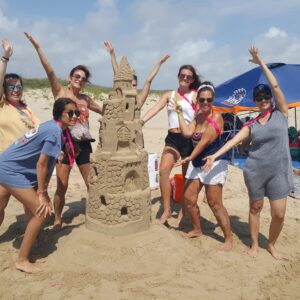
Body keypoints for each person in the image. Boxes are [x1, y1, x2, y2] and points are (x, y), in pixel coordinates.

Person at [204, 47, 293, 259]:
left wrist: (260, 61)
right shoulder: (251, 124)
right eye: (259, 98)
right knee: (255, 208)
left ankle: (271, 244)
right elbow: (233, 140)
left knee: (279, 214)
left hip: (279, 172)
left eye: (265, 97)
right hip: (255, 171)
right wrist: (214, 156)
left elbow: (275, 85)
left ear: (270, 99)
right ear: (254, 101)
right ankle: (254, 244)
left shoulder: (281, 113)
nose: (263, 100)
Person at [25, 32, 103, 230]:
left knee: (91, 183)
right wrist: (38, 47)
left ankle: (94, 215)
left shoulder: (86, 99)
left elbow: (106, 110)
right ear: (70, 77)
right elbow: (50, 71)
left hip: (84, 144)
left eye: (83, 78)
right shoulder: (60, 93)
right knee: (63, 184)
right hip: (64, 144)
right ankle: (58, 218)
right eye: (77, 76)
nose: (79, 79)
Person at [0, 98, 78, 273]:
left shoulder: (51, 126)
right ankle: (22, 260)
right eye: (70, 113)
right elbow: (42, 164)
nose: (75, 116)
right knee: (41, 213)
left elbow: (47, 165)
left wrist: (42, 192)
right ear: (60, 114)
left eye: (77, 113)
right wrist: (42, 193)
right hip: (11, 170)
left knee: (29, 210)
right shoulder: (54, 132)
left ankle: (29, 251)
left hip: (12, 166)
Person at [171, 81, 233, 250]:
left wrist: (188, 157)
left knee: (214, 202)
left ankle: (228, 238)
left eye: (209, 100)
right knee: (189, 198)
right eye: (202, 100)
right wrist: (178, 113)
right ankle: (197, 229)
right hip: (197, 161)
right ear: (197, 100)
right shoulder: (197, 117)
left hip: (214, 161)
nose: (205, 103)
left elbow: (204, 142)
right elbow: (187, 133)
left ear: (213, 100)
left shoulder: (217, 117)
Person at [141, 65, 201, 223]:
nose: (185, 78)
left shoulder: (195, 96)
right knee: (163, 171)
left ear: (193, 80)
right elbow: (155, 108)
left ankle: (183, 208)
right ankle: (167, 210)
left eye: (189, 77)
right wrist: (141, 121)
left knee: (187, 176)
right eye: (182, 75)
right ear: (178, 76)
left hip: (189, 139)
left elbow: (201, 116)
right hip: (173, 138)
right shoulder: (169, 95)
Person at [0, 38, 40, 224]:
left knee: (32, 207)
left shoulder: (27, 109)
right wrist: (5, 58)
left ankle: (31, 242)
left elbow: (38, 133)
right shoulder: (2, 105)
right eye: (11, 87)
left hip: (28, 165)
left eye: (19, 87)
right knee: (1, 203)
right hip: (6, 163)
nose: (16, 90)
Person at [104, 40, 170, 108]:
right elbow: (117, 74)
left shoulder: (139, 100)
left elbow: (148, 81)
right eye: (129, 85)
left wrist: (160, 63)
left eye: (134, 85)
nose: (132, 87)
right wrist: (112, 53)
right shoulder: (118, 99)